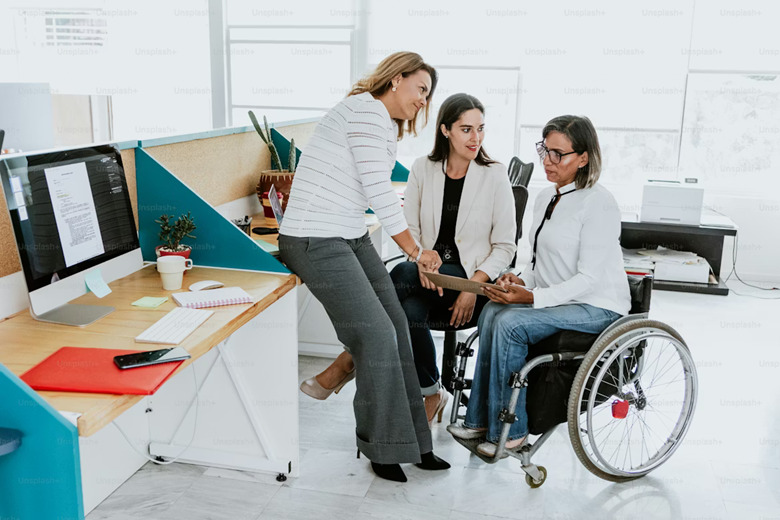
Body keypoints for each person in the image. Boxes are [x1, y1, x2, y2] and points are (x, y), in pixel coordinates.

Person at [279, 52, 450, 482]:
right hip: (314, 238)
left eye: (429, 96)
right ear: (396, 79)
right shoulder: (366, 111)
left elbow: (370, 187)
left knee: (396, 325)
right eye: (420, 89)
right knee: (374, 334)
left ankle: (415, 443)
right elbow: (378, 188)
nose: (423, 102)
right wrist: (415, 250)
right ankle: (382, 446)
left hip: (348, 234)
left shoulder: (376, 121)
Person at [447, 115, 631, 458]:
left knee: (511, 323)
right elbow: (537, 265)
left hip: (598, 306)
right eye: (544, 150)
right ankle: (479, 421)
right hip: (560, 299)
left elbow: (588, 278)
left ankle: (512, 433)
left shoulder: (599, 203)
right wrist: (518, 280)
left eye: (558, 154)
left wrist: (532, 297)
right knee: (492, 313)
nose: (547, 160)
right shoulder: (546, 196)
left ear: (583, 158)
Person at [390, 93, 516, 424]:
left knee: (400, 274)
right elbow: (410, 228)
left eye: (480, 129)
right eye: (466, 129)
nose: (476, 138)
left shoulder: (494, 175)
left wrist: (472, 288)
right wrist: (421, 259)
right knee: (409, 310)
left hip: (468, 281)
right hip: (425, 278)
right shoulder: (423, 168)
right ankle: (433, 391)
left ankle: (352, 356)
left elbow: (505, 246)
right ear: (445, 130)